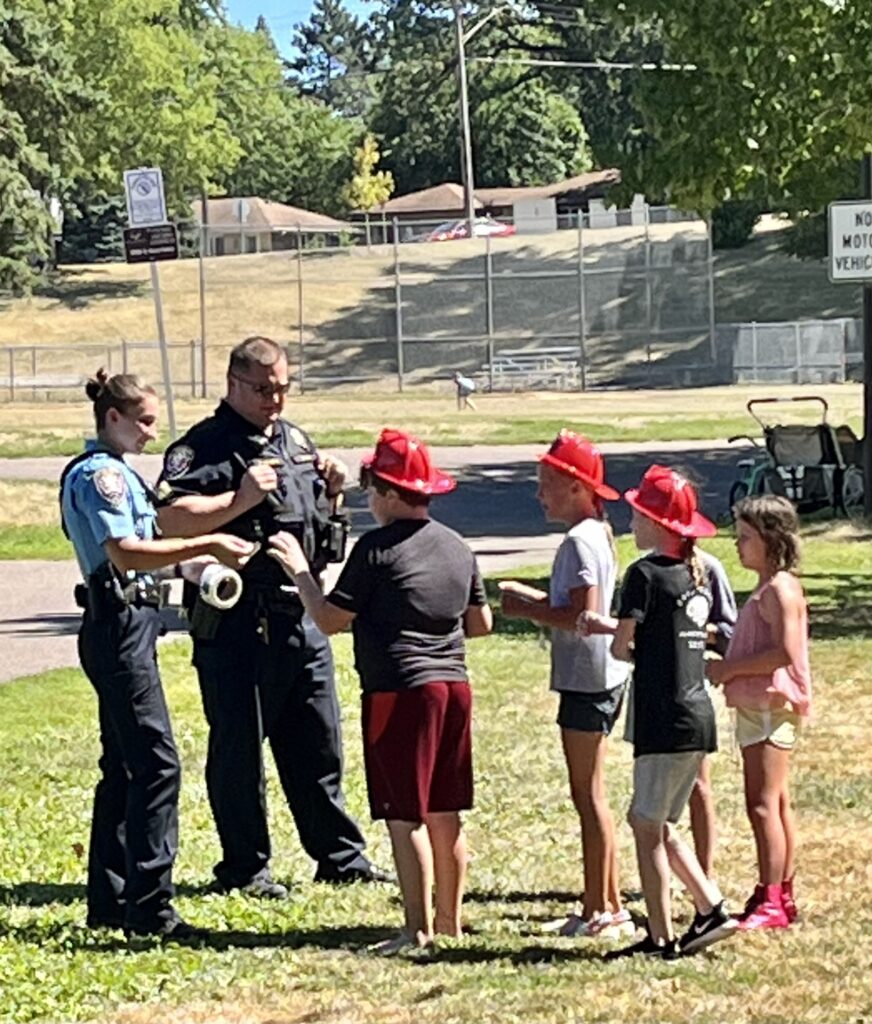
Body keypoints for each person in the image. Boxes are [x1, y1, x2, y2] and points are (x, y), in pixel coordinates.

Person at [156, 336, 385, 897]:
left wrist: (333, 495)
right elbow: (169, 520)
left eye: (282, 387)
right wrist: (237, 500)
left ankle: (340, 857)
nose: (274, 399)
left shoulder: (296, 442)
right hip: (238, 621)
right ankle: (246, 868)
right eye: (262, 389)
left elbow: (321, 540)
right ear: (232, 384)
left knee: (317, 742)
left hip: (300, 615)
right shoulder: (203, 449)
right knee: (238, 750)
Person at [267, 428, 493, 954]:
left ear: (392, 493)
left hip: (399, 690)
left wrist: (300, 570)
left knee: (403, 813)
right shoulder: (457, 547)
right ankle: (450, 922)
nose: (369, 497)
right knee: (445, 811)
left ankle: (415, 929)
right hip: (454, 686)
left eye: (373, 487)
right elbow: (479, 622)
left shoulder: (376, 551)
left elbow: (328, 620)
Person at [61, 370, 253, 939]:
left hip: (127, 620)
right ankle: (151, 908)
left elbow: (150, 554)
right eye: (144, 420)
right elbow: (124, 554)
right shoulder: (102, 478)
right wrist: (208, 542)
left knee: (123, 763)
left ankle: (113, 900)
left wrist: (197, 566)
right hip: (117, 622)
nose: (152, 432)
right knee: (156, 762)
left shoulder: (121, 475)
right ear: (112, 418)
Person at [581, 465, 737, 959]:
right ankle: (710, 907)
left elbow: (624, 648)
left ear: (658, 523)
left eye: (639, 512)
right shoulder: (695, 574)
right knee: (662, 824)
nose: (632, 520)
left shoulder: (643, 574)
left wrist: (610, 633)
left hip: (661, 714)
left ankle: (661, 936)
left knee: (645, 823)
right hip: (698, 714)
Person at [499, 430, 632, 939]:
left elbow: (583, 614)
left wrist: (525, 607)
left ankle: (601, 908)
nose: (539, 495)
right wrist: (536, 599)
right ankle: (605, 901)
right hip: (602, 675)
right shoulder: (597, 530)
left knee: (588, 795)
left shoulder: (579, 540)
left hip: (588, 679)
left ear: (578, 487)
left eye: (547, 483)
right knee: (591, 793)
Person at [706, 495, 811, 930]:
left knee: (762, 804)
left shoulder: (780, 590)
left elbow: (783, 653)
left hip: (769, 706)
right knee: (777, 801)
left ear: (771, 541)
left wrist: (728, 667)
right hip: (759, 705)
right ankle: (778, 891)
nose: (737, 544)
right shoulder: (768, 588)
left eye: (745, 537)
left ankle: (772, 898)